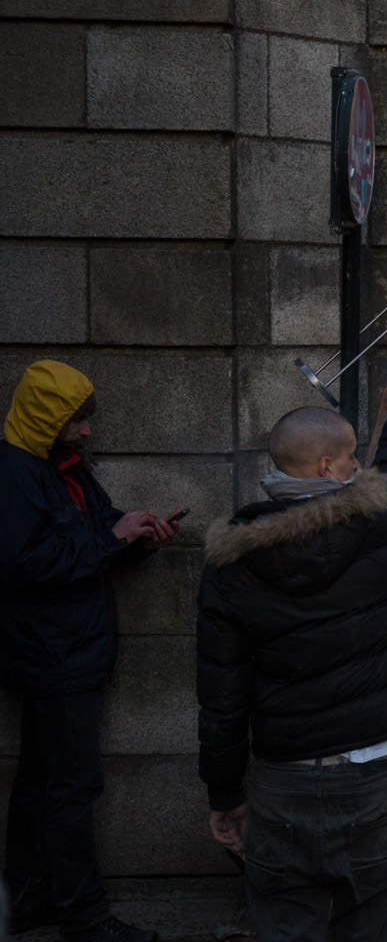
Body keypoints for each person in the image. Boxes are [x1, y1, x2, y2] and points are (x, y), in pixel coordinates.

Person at [196, 297, 387, 942]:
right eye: (352, 460)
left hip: (282, 783)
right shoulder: (379, 524)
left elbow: (221, 698)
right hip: (375, 774)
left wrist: (224, 797)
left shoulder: (230, 563)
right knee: (370, 926)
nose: (362, 467)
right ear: (326, 468)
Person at [1, 360, 181, 942]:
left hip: (67, 648)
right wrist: (112, 538)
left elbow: (98, 535)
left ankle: (28, 899)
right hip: (53, 653)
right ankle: (85, 917)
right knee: (72, 786)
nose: (85, 430)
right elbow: (27, 564)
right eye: (75, 421)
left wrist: (138, 536)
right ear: (47, 418)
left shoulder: (64, 466)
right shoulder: (14, 474)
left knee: (39, 781)